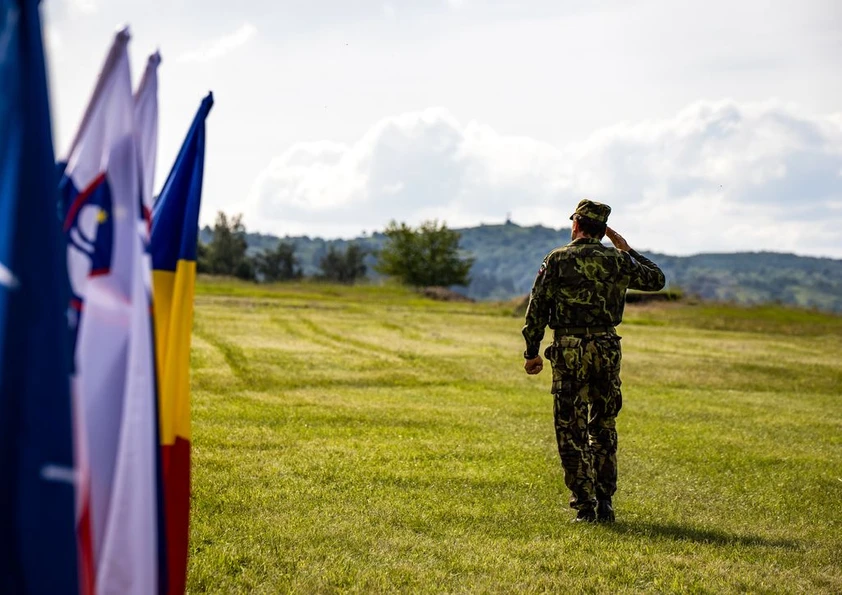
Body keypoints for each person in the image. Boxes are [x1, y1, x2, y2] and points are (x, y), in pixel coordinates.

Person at [521, 199, 665, 523]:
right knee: (603, 426)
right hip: (607, 347)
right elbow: (656, 279)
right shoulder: (618, 261)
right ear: (603, 230)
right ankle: (605, 502)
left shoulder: (558, 259)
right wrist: (627, 250)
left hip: (570, 348)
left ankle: (585, 507)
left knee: (570, 429)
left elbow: (537, 307)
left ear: (576, 224)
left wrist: (531, 352)